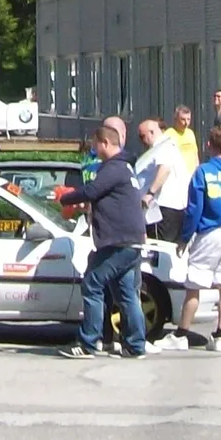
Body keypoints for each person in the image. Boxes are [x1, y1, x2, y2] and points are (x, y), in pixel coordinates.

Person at [61, 123, 150, 359]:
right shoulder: (125, 168)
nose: (93, 149)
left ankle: (89, 343)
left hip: (118, 242)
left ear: (105, 143)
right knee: (126, 294)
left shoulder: (113, 168)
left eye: (95, 145)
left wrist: (65, 197)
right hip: (130, 241)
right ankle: (135, 345)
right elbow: (104, 198)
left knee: (92, 283)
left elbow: (91, 190)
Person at [166, 122, 221, 352]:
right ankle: (220, 336)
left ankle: (181, 334)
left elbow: (194, 208)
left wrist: (185, 237)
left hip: (210, 231)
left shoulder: (203, 172)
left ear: (208, 145)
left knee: (194, 285)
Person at [132, 117, 194, 243]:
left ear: (152, 132)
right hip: (168, 210)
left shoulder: (164, 146)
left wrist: (150, 193)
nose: (141, 141)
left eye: (142, 136)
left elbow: (165, 168)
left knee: (160, 248)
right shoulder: (163, 147)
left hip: (162, 210)